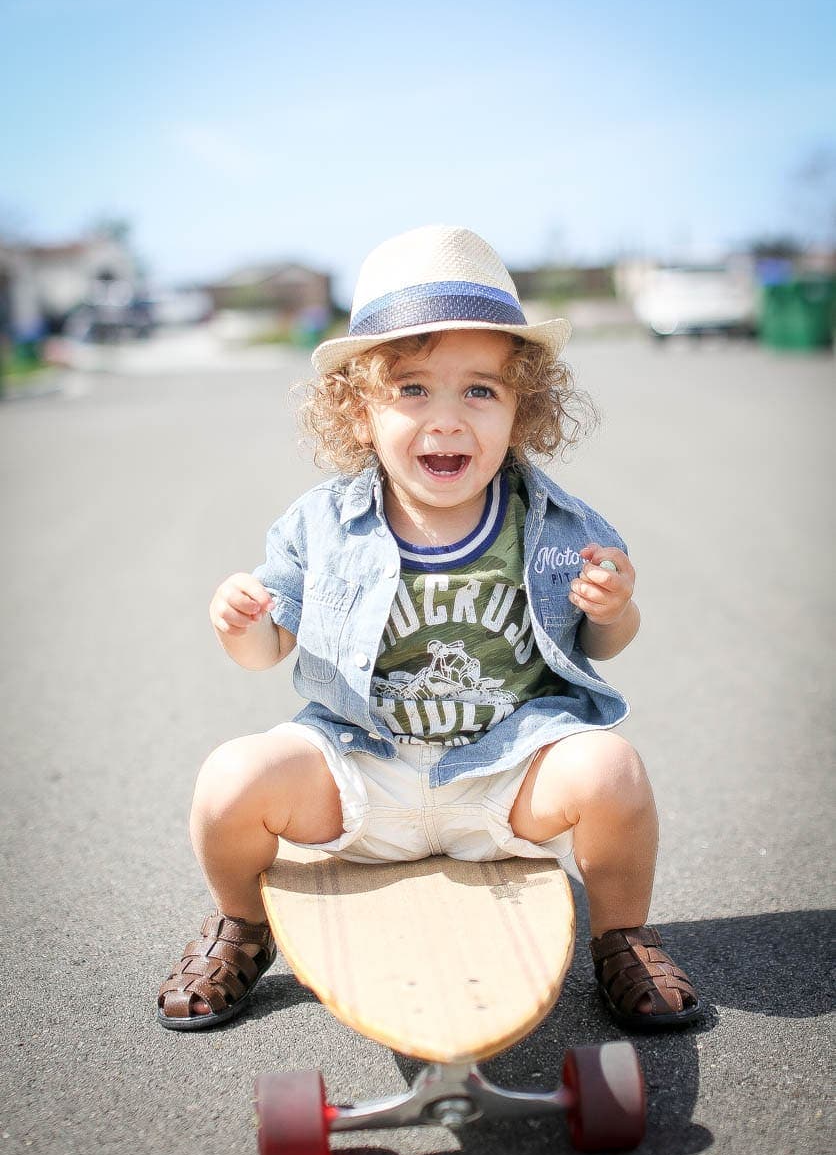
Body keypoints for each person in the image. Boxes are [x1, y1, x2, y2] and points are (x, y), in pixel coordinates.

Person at [157, 225, 702, 1033]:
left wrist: (613, 609)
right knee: (230, 778)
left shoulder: (551, 522)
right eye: (412, 389)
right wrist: (241, 622)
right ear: (359, 409)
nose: (446, 421)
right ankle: (242, 924)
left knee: (613, 771)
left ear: (523, 409)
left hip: (505, 776)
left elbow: (600, 648)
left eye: (480, 390)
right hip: (360, 774)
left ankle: (621, 936)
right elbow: (263, 651)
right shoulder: (322, 525)